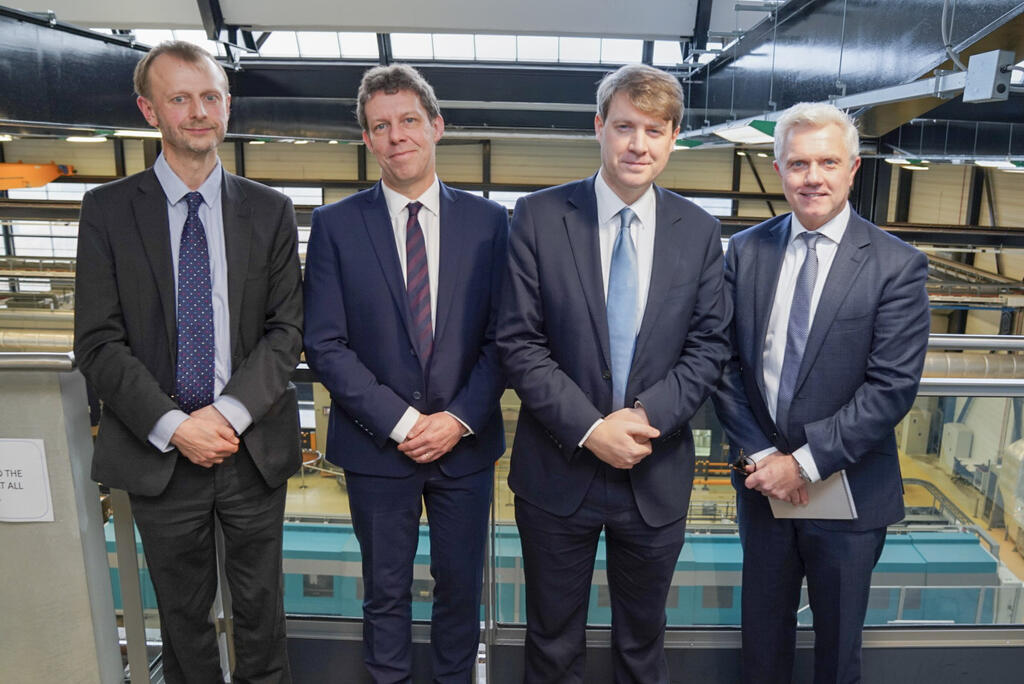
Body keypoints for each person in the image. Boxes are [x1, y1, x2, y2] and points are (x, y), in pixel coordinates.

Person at [74, 41, 303, 683]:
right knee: (182, 622)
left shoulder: (271, 210)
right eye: (180, 98)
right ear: (150, 111)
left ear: (227, 106)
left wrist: (225, 416)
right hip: (160, 456)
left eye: (210, 97)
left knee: (263, 615)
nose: (198, 112)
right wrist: (177, 426)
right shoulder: (108, 211)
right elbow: (96, 341)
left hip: (250, 448)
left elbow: (286, 333)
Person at [497, 64, 731, 683]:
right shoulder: (540, 217)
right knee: (551, 643)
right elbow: (519, 342)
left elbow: (710, 347)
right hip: (558, 471)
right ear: (598, 126)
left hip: (653, 474)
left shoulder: (701, 231)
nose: (638, 145)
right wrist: (591, 428)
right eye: (624, 126)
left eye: (654, 130)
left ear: (674, 137)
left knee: (642, 645)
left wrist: (645, 417)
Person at [303, 64, 508, 683]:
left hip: (463, 447)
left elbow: (507, 338)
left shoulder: (491, 222)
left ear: (437, 127)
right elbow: (326, 343)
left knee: (459, 595)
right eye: (381, 126)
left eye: (409, 121)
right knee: (384, 594)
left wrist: (457, 420)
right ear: (367, 140)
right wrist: (401, 421)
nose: (397, 136)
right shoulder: (337, 225)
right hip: (376, 449)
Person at [713, 102, 931, 683]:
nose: (814, 178)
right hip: (763, 491)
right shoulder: (746, 251)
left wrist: (804, 465)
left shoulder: (897, 265)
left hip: (850, 494)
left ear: (853, 168)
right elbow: (724, 364)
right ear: (780, 169)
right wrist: (765, 459)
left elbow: (891, 388)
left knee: (838, 656)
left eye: (828, 162)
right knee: (761, 646)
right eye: (799, 164)